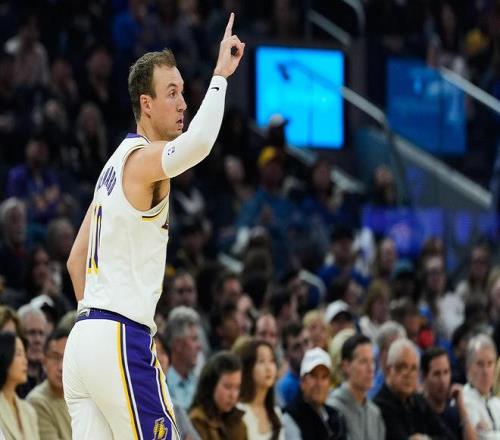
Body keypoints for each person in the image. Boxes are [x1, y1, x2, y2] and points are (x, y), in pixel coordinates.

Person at [62, 13, 245, 440]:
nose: (183, 104)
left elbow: (75, 261)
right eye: (172, 93)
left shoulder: (110, 170)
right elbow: (199, 144)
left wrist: (96, 326)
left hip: (83, 340)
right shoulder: (143, 161)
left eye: (183, 92)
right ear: (146, 104)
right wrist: (220, 75)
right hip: (119, 335)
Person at [373, 338, 451, 440]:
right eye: (402, 367)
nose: (408, 374)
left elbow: (449, 437)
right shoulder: (380, 407)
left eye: (413, 368)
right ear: (388, 370)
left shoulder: (419, 401)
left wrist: (426, 439)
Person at [328, 334, 385, 440]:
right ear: (346, 366)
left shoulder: (375, 413)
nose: (371, 368)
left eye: (372, 361)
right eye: (363, 361)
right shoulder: (333, 409)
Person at [283, 347, 347, 440]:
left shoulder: (335, 416)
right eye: (313, 376)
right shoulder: (291, 417)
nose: (319, 384)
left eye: (324, 377)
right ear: (302, 381)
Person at [421, 347, 476, 440]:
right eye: (436, 374)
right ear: (424, 377)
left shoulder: (454, 412)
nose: (443, 381)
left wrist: (461, 408)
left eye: (446, 372)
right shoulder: (418, 412)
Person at [189, 351, 247, 440]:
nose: (233, 395)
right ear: (211, 386)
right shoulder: (197, 421)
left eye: (237, 387)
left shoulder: (238, 421)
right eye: (228, 387)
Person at [27, 328, 72, 440]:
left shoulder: (79, 396)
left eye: (67, 358)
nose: (61, 367)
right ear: (44, 361)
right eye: (56, 357)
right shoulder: (37, 402)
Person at [235, 338, 284, 439]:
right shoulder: (239, 411)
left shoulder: (276, 413)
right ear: (248, 368)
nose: (268, 368)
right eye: (261, 361)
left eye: (271, 361)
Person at [0, 331, 40, 440]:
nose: (25, 361)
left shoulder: (29, 411)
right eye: (19, 354)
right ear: (4, 356)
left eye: (24, 355)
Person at [164, 306, 203, 410]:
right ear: (178, 344)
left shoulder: (200, 383)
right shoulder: (161, 384)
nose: (199, 346)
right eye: (194, 339)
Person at [462, 334, 500, 438]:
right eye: (480, 364)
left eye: (490, 363)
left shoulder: (496, 403)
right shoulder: (464, 400)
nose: (486, 371)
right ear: (468, 367)